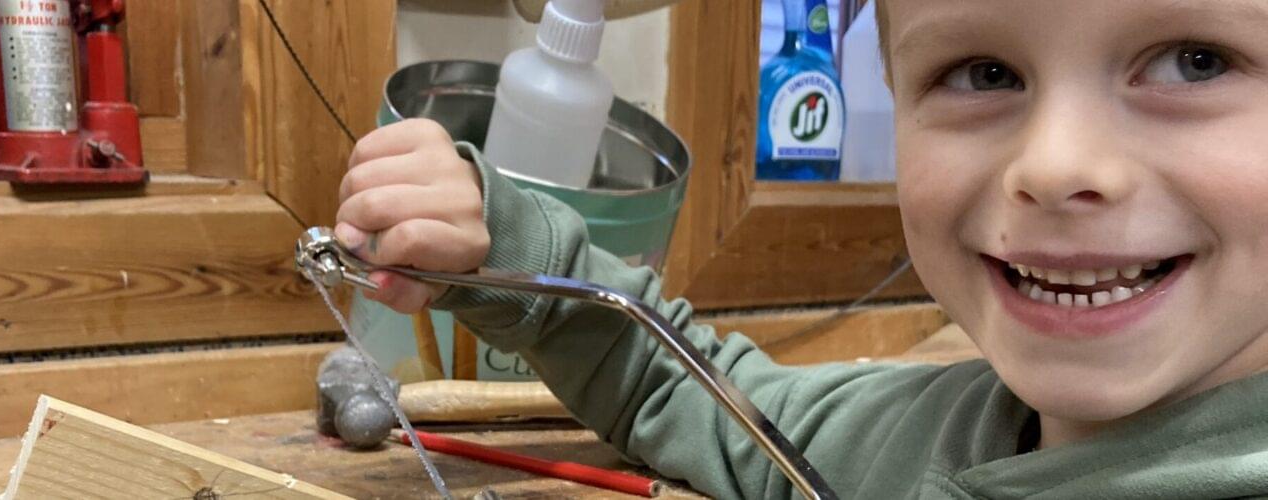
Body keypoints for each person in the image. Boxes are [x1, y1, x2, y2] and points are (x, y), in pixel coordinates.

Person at [333, 1, 1268, 497]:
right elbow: (682, 389)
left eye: (1196, 59)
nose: (1058, 165)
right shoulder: (899, 438)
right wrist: (507, 241)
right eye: (983, 73)